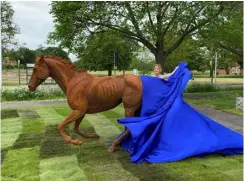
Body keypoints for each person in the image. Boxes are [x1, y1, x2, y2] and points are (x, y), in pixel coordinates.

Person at [112, 62, 243, 164]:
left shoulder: (163, 78)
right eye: (155, 69)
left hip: (165, 102)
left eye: (158, 69)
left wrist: (178, 70)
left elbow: (170, 77)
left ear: (160, 70)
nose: (156, 70)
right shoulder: (150, 78)